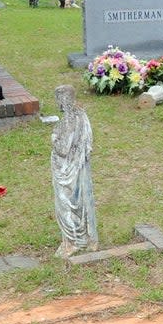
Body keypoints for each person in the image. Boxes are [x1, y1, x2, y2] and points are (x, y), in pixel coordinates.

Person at [49, 84, 98, 257]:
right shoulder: (82, 115)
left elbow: (63, 148)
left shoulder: (69, 120)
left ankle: (73, 241)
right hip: (78, 168)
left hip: (67, 170)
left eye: (58, 100)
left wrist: (54, 137)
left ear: (63, 100)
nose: (58, 104)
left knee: (67, 203)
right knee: (78, 201)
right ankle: (83, 238)